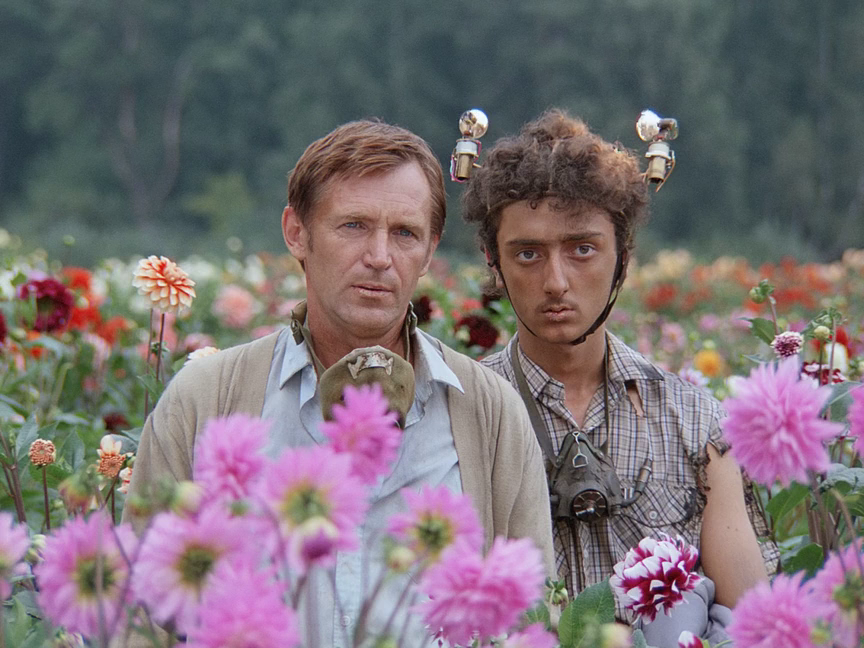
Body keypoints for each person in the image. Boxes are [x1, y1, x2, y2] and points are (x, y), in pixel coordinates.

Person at [122, 120, 555, 647]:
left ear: (429, 250)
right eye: (353, 225)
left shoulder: (490, 413)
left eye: (405, 233)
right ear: (296, 232)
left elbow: (530, 618)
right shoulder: (205, 398)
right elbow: (140, 619)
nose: (379, 256)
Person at [461, 110, 779, 647]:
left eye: (582, 249)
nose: (556, 281)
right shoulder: (463, 413)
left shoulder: (695, 421)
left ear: (622, 259)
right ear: (495, 262)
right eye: (528, 254)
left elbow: (755, 624)